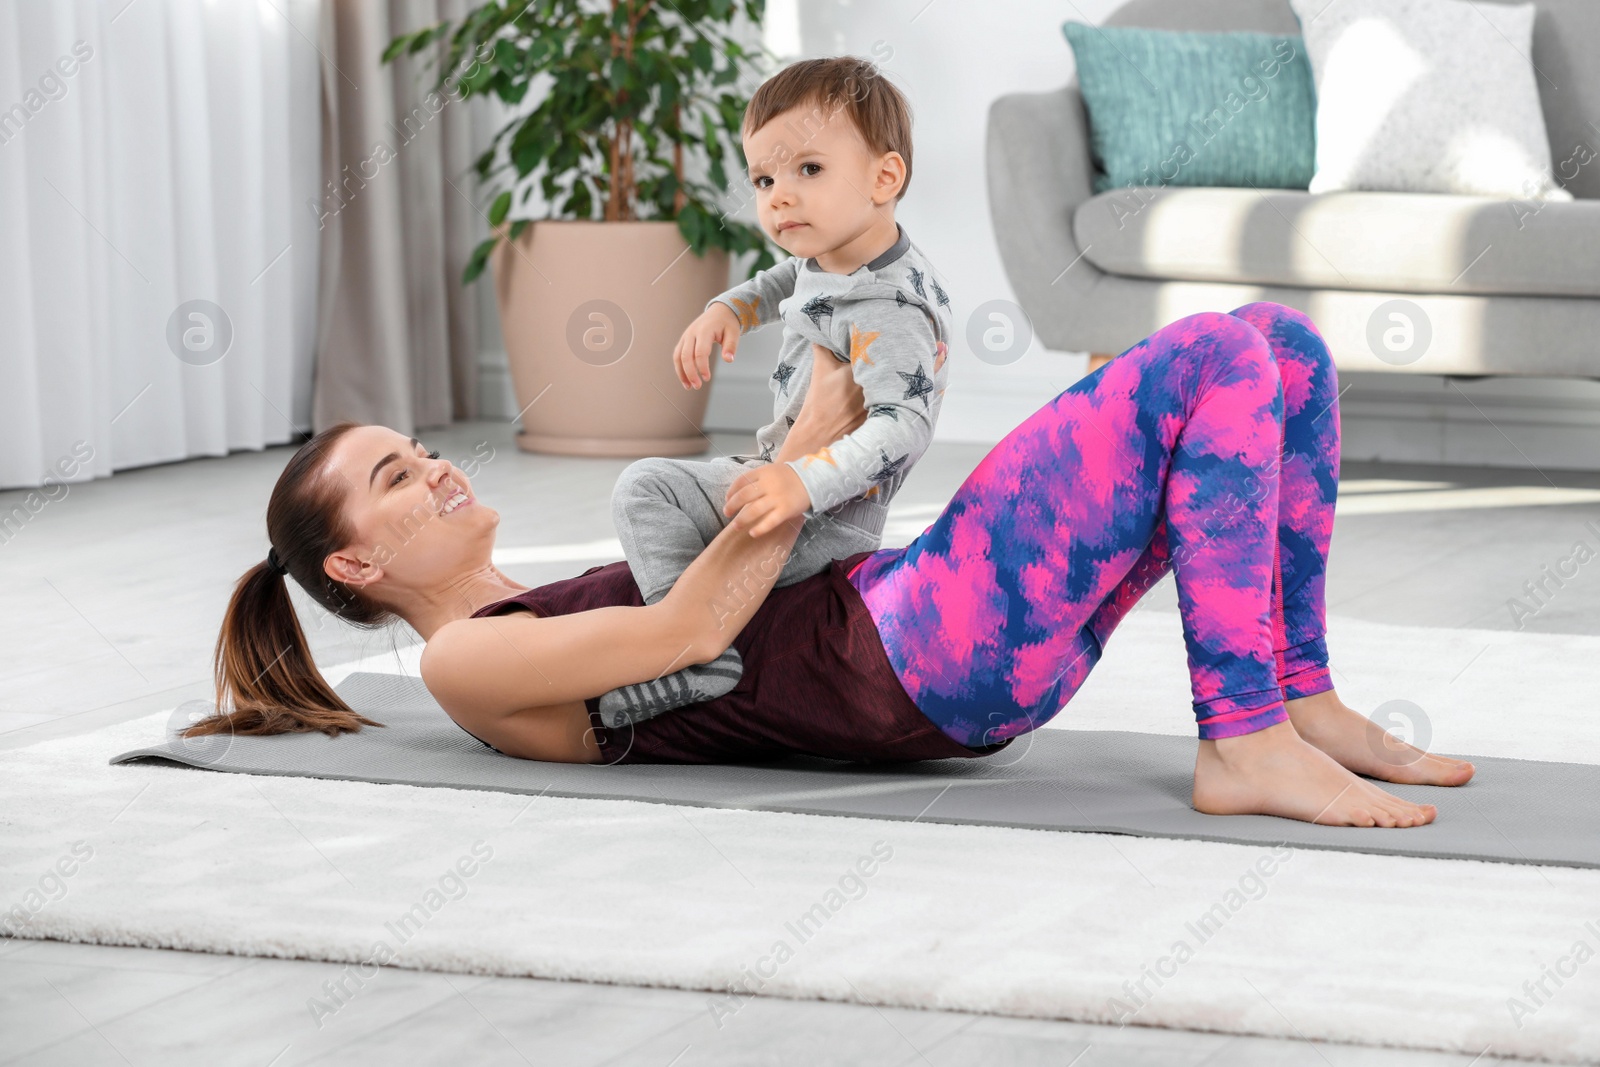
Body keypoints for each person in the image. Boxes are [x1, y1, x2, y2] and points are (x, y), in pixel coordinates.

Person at [188, 302, 1476, 828]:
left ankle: (1296, 695)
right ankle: (1241, 736)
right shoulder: (466, 659)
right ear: (354, 561)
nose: (438, 466)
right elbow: (689, 636)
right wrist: (810, 443)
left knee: (1279, 346)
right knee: (1205, 357)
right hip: (904, 660)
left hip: (916, 624)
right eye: (398, 477)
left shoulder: (554, 575)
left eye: (420, 447)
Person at [598, 55, 954, 727]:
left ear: (884, 177)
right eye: (764, 178)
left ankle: (690, 651)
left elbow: (901, 426)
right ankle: (687, 633)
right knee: (648, 488)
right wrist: (726, 310)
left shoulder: (891, 306)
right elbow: (784, 278)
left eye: (808, 170)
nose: (778, 196)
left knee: (659, 509)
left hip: (832, 515)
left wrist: (802, 481)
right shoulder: (838, 252)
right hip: (781, 468)